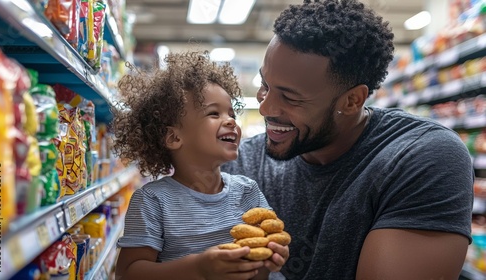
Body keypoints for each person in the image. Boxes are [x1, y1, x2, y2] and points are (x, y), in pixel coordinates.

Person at [221, 0, 474, 279]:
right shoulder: (242, 162)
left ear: (353, 100)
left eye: (290, 98)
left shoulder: (421, 157)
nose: (266, 108)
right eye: (264, 86)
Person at [111, 50, 289, 280]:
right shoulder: (154, 201)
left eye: (231, 113)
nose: (231, 121)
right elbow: (128, 273)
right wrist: (199, 268)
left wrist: (271, 257)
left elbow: (263, 263)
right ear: (174, 138)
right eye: (213, 113)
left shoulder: (247, 191)